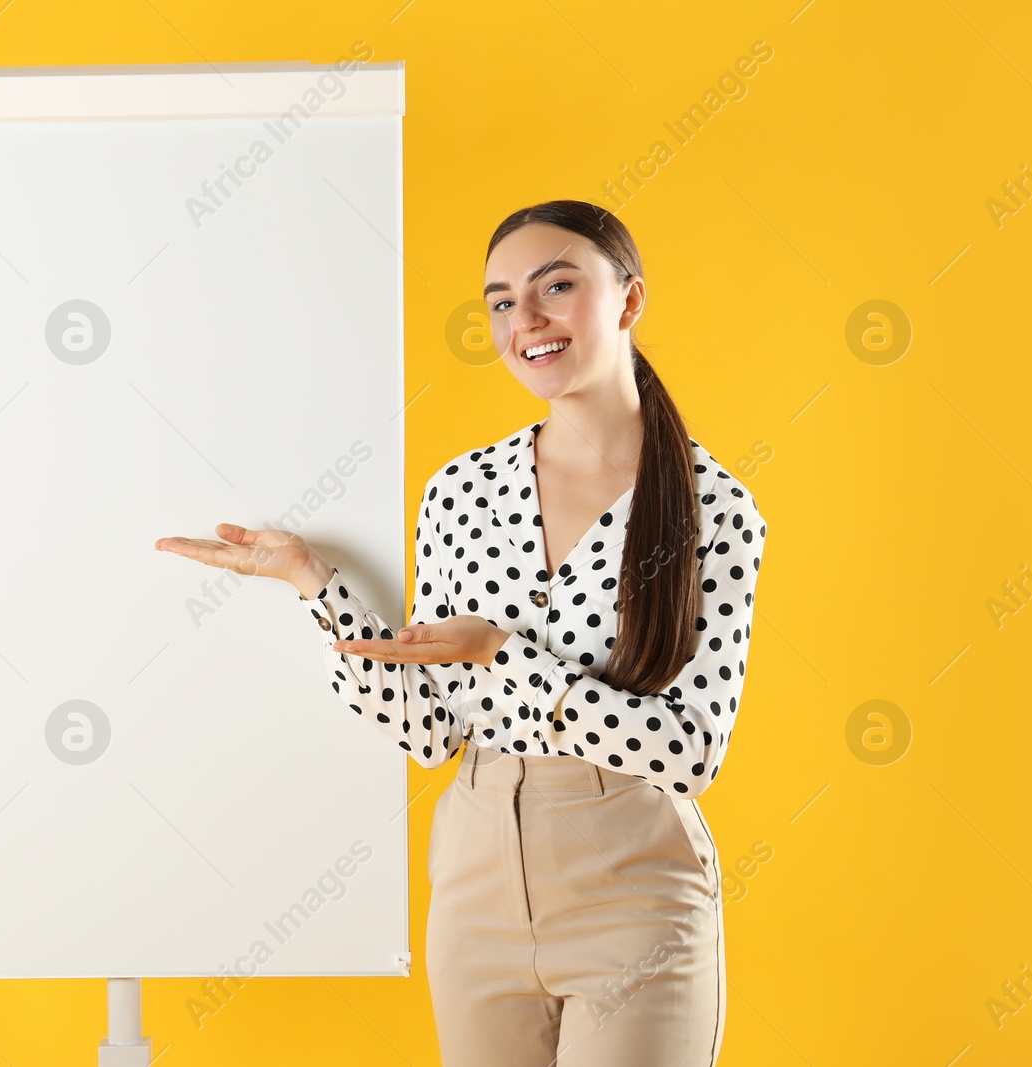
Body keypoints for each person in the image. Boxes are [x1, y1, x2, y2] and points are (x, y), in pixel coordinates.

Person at [155, 199, 767, 1066]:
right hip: (475, 876)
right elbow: (429, 727)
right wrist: (311, 582)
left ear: (629, 301)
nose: (528, 320)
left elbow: (688, 751)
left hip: (636, 888)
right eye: (503, 301)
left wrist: (503, 656)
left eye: (557, 286)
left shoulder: (715, 508)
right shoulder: (463, 491)